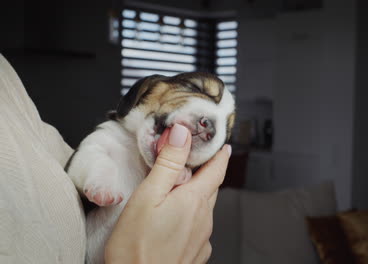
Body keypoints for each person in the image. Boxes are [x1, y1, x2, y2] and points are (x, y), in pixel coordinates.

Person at [0, 54, 231, 263]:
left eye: (224, 131)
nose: (208, 127)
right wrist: (100, 175)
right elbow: (85, 160)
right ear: (149, 87)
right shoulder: (111, 136)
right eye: (195, 88)